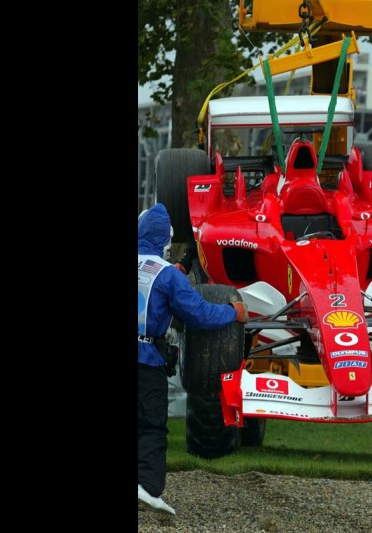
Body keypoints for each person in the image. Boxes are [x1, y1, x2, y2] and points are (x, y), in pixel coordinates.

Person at [138, 203, 248, 516]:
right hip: (145, 360)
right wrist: (232, 311)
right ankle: (146, 488)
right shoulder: (166, 275)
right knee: (150, 427)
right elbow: (199, 315)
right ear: (164, 241)